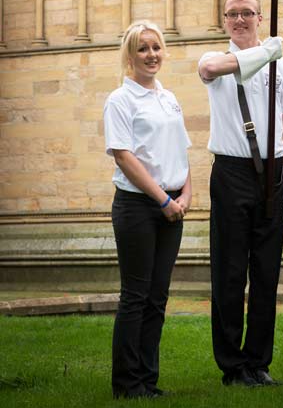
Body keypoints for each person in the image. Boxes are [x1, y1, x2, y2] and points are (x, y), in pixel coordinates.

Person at [198, 0, 283, 387]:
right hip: (230, 174)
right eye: (232, 14)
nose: (240, 20)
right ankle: (231, 365)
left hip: (272, 175)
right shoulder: (211, 60)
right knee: (228, 272)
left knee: (266, 273)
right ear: (225, 20)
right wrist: (268, 52)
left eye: (248, 13)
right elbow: (218, 68)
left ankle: (258, 363)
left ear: (261, 17)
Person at [104, 20, 192, 399]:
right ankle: (127, 383)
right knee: (136, 296)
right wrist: (163, 199)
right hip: (139, 207)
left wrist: (186, 195)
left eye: (156, 47)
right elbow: (124, 156)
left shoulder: (168, 97)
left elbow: (182, 152)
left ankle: (148, 381)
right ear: (130, 55)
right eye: (143, 48)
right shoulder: (120, 100)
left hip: (173, 206)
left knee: (158, 297)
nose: (151, 55)